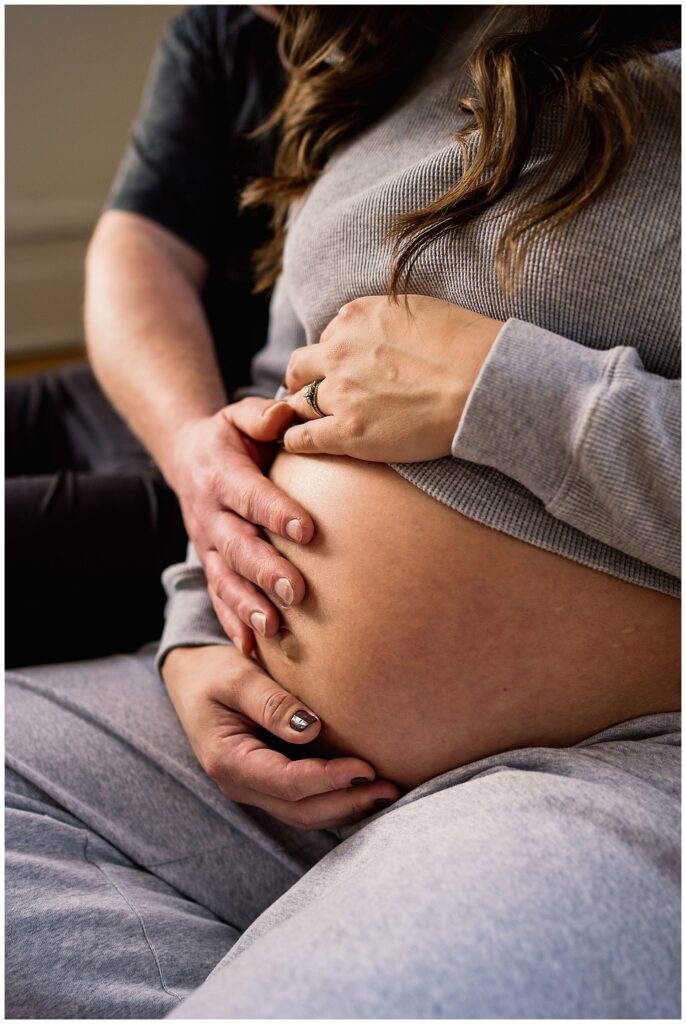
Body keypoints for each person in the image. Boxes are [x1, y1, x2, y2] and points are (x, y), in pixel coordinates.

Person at [6, 5, 680, 1018]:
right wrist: (196, 634)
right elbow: (281, 387)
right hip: (268, 770)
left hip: (609, 766)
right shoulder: (384, 68)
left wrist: (502, 395)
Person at [5, 5, 283, 667]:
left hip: (249, 463)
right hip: (155, 408)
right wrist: (188, 439)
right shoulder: (224, 31)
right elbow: (137, 244)